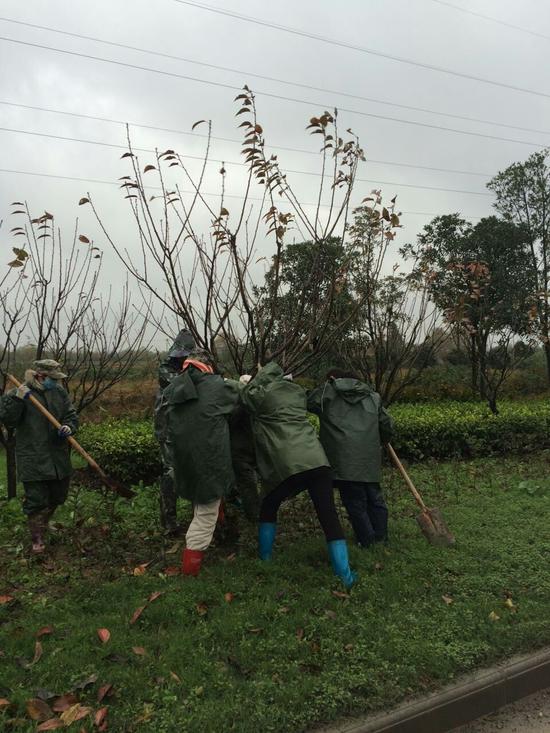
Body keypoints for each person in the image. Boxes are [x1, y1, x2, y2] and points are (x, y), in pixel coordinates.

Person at [240, 362, 357, 588]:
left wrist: (249, 381)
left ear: (263, 378)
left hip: (289, 465)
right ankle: (345, 575)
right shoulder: (296, 393)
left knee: (269, 504)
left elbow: (245, 395)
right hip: (317, 460)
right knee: (328, 515)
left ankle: (265, 560)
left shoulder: (260, 398)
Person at [163, 349, 239, 576]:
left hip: (184, 460)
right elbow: (243, 395)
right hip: (209, 460)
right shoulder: (216, 386)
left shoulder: (172, 388)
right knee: (206, 514)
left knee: (201, 502)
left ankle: (215, 536)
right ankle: (190, 571)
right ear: (206, 366)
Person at [307, 369, 393, 548]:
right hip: (369, 458)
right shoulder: (372, 396)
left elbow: (309, 402)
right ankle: (381, 538)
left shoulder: (327, 394)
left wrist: (327, 386)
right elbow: (386, 424)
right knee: (374, 498)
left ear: (332, 379)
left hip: (343, 458)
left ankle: (367, 541)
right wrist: (385, 438)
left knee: (355, 502)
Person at [0, 359, 78, 554]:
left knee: (58, 495)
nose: (56, 382)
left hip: (57, 454)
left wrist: (69, 426)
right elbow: (8, 420)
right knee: (36, 499)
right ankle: (37, 538)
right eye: (52, 379)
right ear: (40, 376)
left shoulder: (58, 392)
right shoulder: (19, 393)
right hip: (33, 455)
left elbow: (70, 414)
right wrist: (18, 399)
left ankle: (44, 523)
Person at [153, 329, 195, 536]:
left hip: (188, 428)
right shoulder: (166, 369)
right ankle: (169, 523)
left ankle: (200, 518)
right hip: (168, 429)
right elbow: (182, 389)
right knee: (171, 474)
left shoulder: (192, 368)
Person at [228, 374, 260, 522]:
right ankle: (256, 516)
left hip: (243, 451)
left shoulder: (238, 406)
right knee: (250, 484)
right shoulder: (251, 404)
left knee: (248, 485)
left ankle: (254, 515)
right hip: (248, 450)